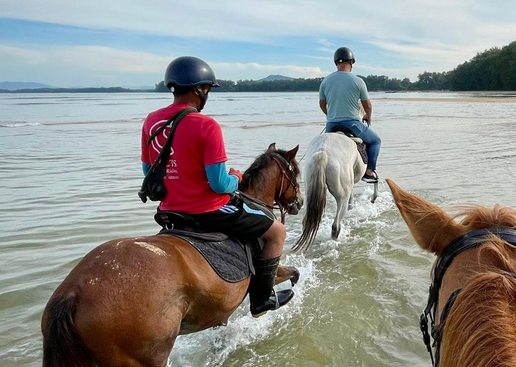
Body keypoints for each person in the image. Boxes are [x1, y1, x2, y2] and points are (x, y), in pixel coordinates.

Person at [141, 56, 293, 317]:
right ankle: (262, 299)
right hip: (208, 210)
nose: (207, 95)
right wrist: (235, 175)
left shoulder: (151, 122)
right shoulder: (206, 125)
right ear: (199, 89)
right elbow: (220, 184)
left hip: (170, 212)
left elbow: (149, 172)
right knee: (277, 232)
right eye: (207, 89)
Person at [319, 47, 381, 183]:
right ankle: (369, 172)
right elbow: (367, 105)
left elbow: (322, 104)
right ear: (351, 62)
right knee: (376, 141)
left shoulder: (325, 81)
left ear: (336, 63)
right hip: (352, 124)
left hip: (331, 125)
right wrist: (367, 116)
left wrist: (329, 115)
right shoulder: (358, 81)